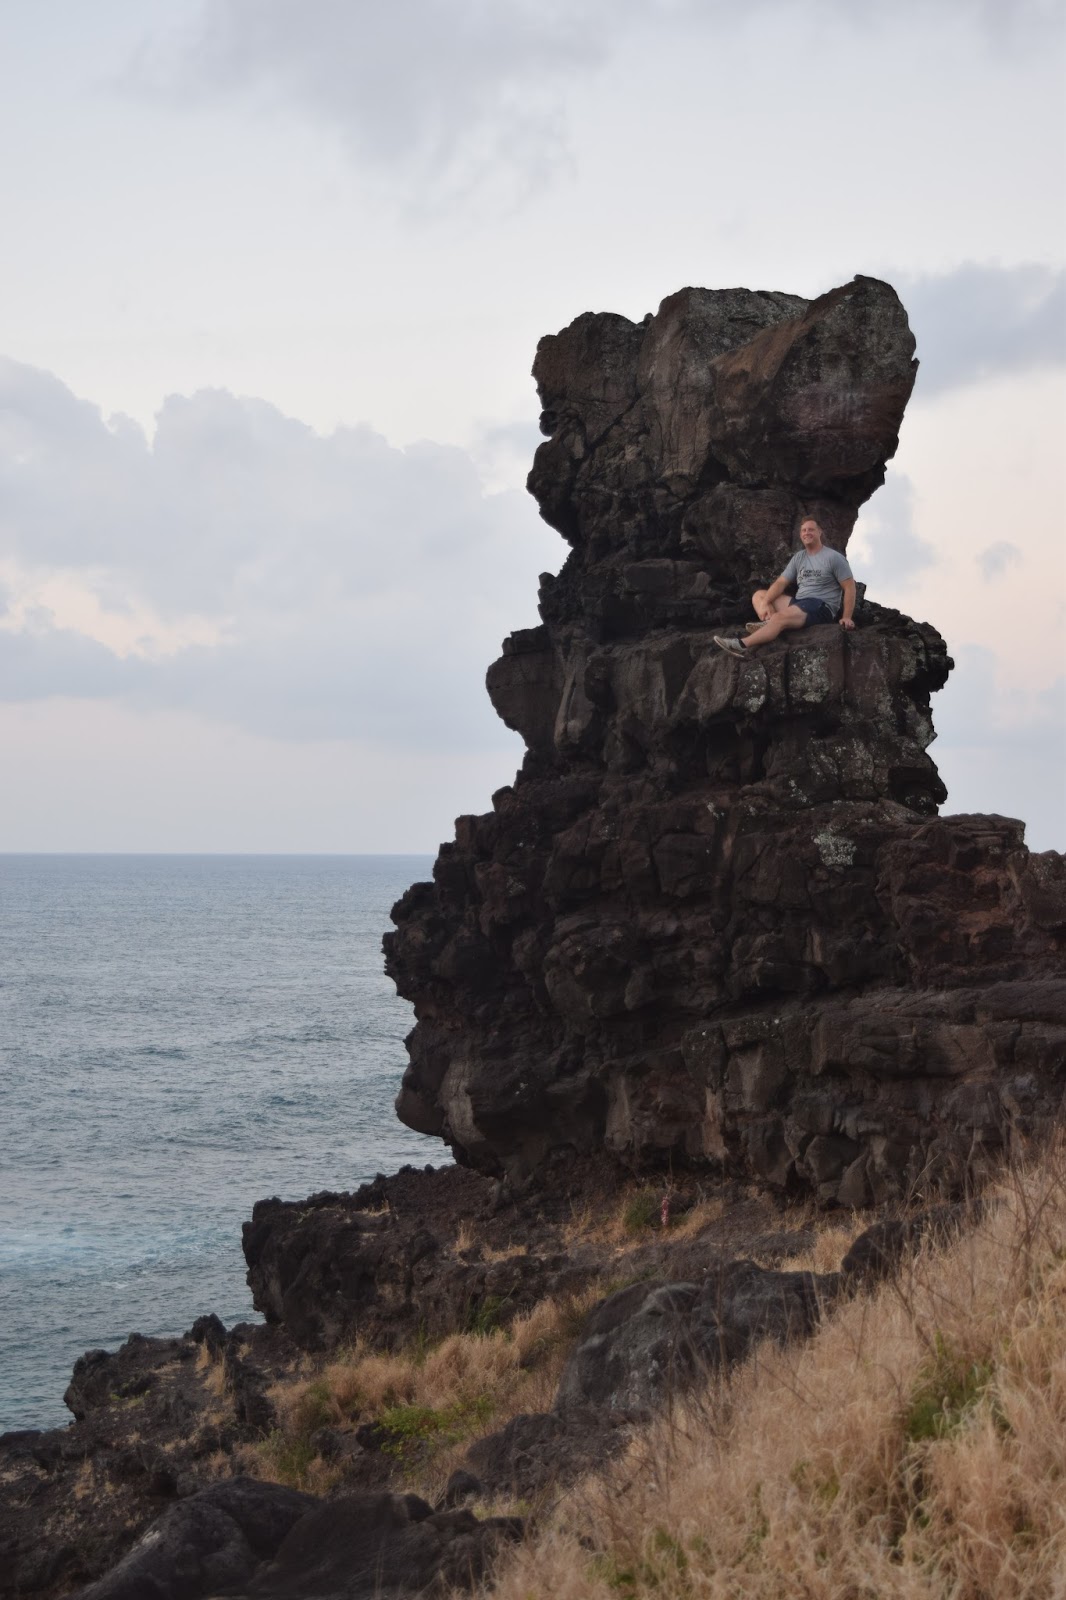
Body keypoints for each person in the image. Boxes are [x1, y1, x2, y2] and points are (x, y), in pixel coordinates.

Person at [713, 516, 856, 654]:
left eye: (811, 529)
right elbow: (781, 582)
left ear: (820, 532)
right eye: (803, 530)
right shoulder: (799, 557)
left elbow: (849, 587)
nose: (807, 533)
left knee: (779, 617)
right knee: (759, 596)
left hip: (820, 606)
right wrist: (766, 603)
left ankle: (741, 645)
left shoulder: (834, 558)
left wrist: (847, 617)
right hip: (800, 603)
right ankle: (772, 624)